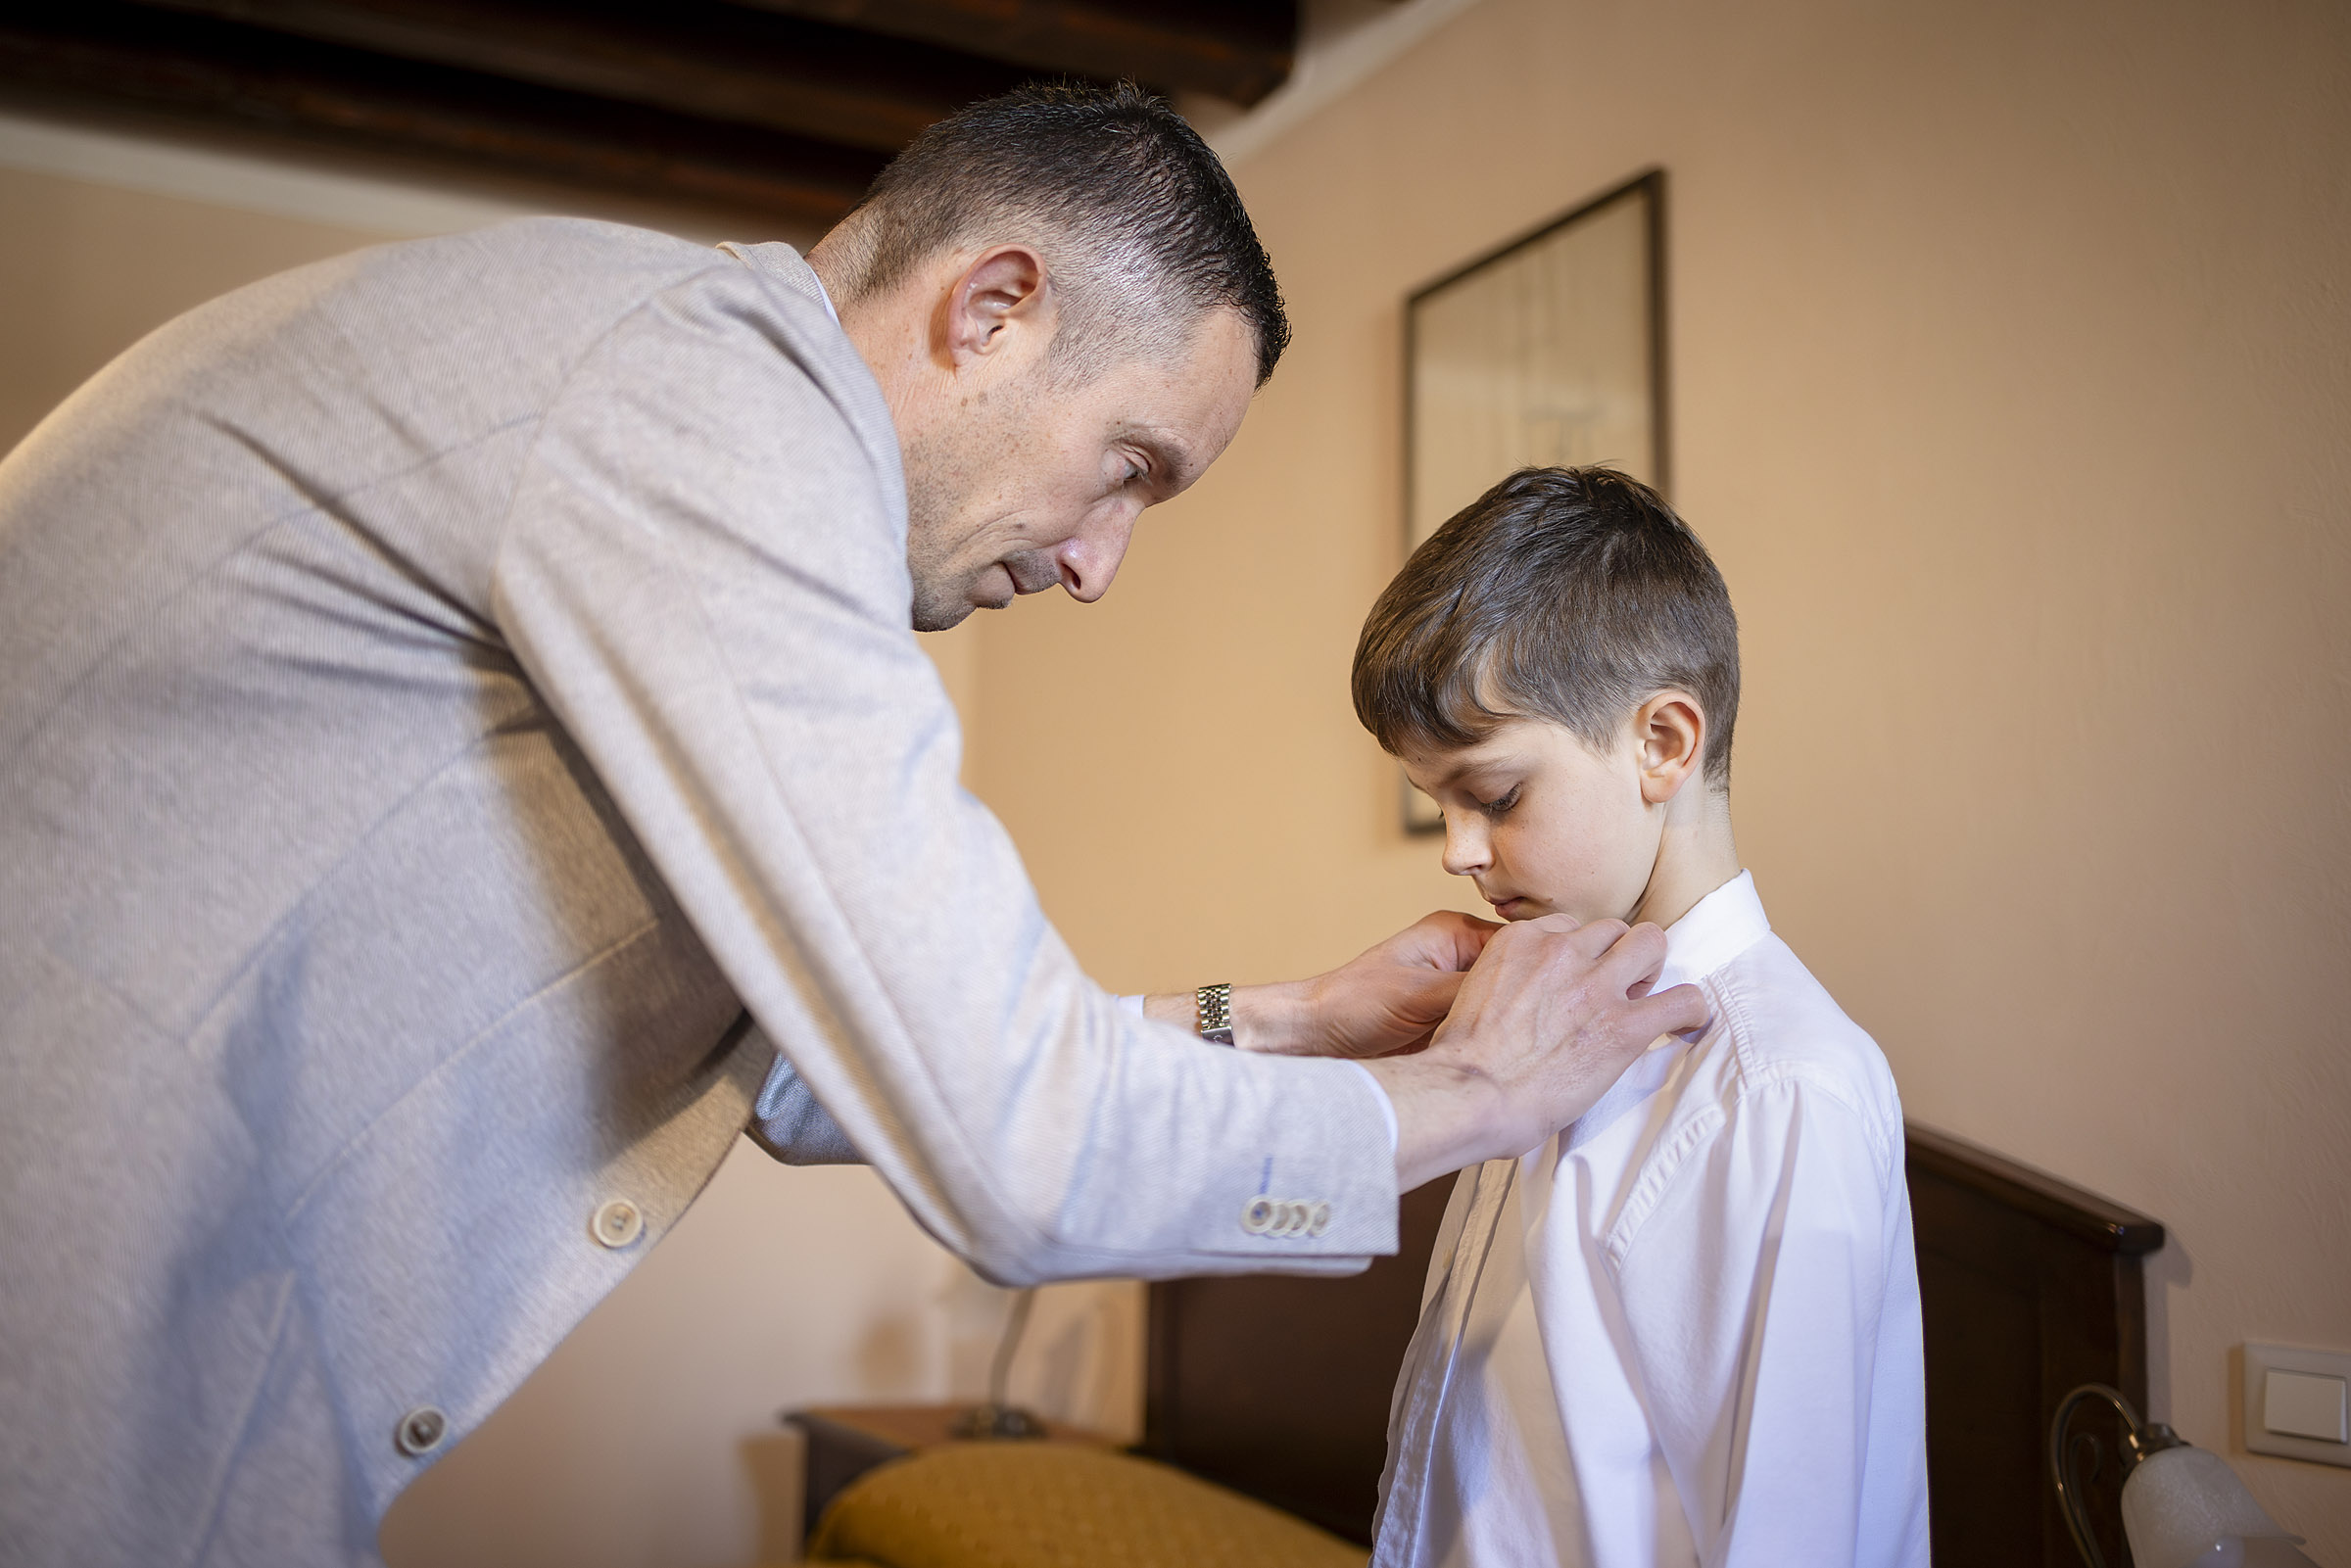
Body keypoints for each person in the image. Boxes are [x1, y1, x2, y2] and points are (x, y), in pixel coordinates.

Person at [0, 86, 1703, 1566]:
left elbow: (794, 1057)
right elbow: (1015, 1154)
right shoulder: (709, 410)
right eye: (1131, 467)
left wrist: (1289, 1023)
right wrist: (1470, 1093)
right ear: (993, 312)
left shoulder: (648, 397)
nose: (1102, 566)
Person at [1353, 467, 1931, 1567]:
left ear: (1663, 741)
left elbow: (1789, 1537)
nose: (1459, 851)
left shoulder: (1782, 1089)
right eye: (1441, 804)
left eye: (1496, 794)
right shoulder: (1533, 1014)